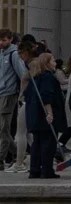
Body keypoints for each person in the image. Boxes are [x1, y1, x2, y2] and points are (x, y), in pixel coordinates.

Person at [23, 52, 64, 180]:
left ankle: (34, 170)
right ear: (46, 63)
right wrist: (50, 113)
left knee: (37, 143)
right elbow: (47, 97)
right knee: (48, 144)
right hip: (45, 116)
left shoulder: (35, 78)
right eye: (53, 61)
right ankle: (46, 170)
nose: (55, 63)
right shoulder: (48, 77)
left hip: (35, 116)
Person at [0, 29, 27, 169]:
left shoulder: (14, 55)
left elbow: (23, 74)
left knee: (4, 128)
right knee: (2, 129)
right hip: (1, 92)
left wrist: (22, 94)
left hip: (9, 94)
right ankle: (17, 153)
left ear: (10, 39)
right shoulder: (1, 54)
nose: (1, 42)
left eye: (4, 40)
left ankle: (2, 157)